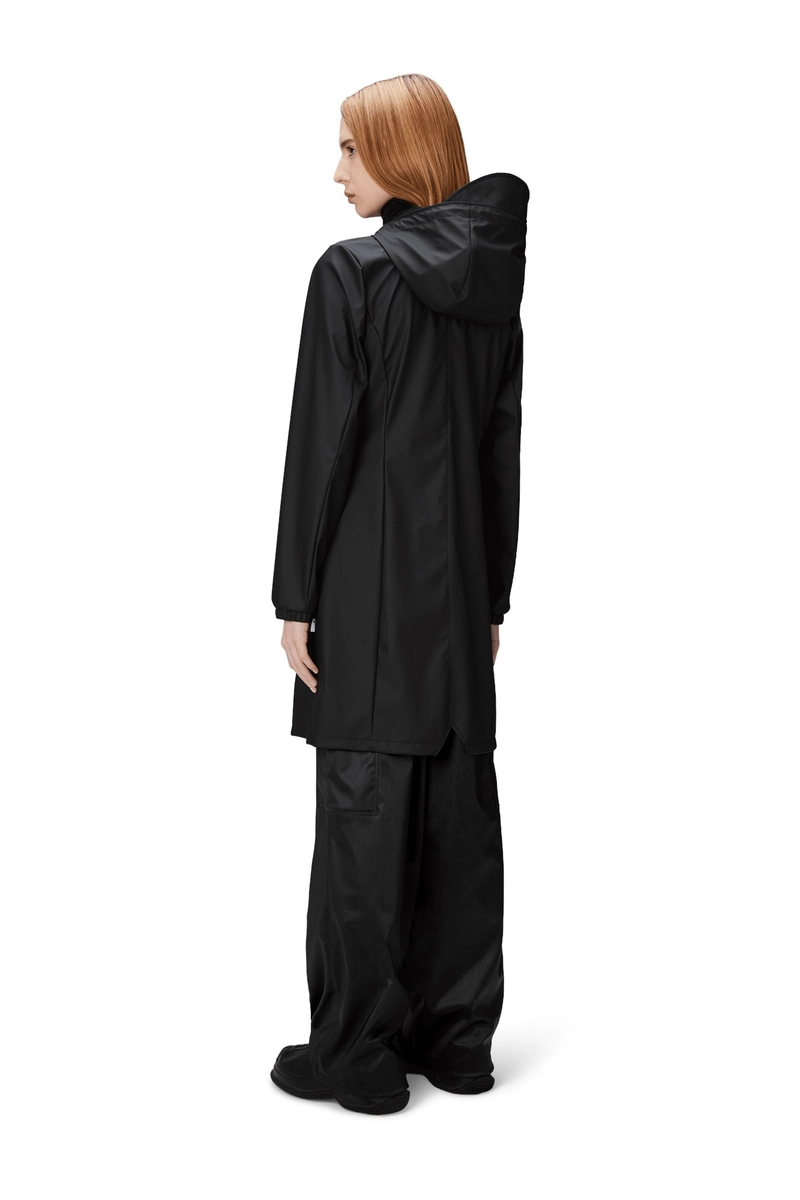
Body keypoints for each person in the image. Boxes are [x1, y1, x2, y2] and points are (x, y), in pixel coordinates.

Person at [269, 74, 527, 1116]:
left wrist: (293, 595)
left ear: (400, 154)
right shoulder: (493, 283)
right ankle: (457, 1045)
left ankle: (360, 1058)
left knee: (363, 820)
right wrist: (492, 600)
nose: (337, 171)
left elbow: (319, 447)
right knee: (456, 818)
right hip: (459, 597)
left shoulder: (352, 272)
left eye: (351, 148)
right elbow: (499, 452)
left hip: (364, 595)